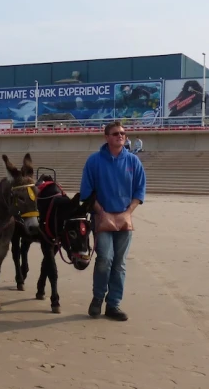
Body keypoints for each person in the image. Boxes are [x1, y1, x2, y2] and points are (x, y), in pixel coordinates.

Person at [80, 121, 146, 322]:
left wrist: (128, 212)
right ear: (106, 137)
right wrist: (102, 212)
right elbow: (87, 192)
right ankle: (98, 298)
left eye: (123, 133)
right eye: (116, 133)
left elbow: (139, 191)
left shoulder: (133, 162)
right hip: (101, 218)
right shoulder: (94, 161)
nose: (120, 136)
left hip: (124, 219)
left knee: (119, 263)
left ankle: (113, 304)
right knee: (105, 259)